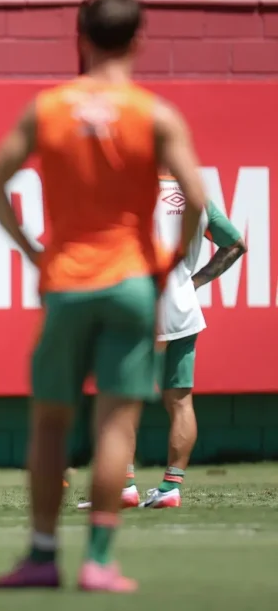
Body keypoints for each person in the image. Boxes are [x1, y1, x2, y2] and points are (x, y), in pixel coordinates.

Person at [0, 0, 208, 593]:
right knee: (115, 422)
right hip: (132, 283)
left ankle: (41, 554)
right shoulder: (154, 114)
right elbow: (196, 197)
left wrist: (32, 250)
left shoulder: (48, 108)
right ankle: (100, 560)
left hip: (67, 283)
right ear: (138, 41)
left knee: (51, 422)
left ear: (79, 37)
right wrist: (162, 265)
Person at [76, 186, 246, 511]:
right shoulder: (195, 196)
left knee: (121, 399)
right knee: (180, 402)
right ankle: (171, 487)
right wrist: (191, 284)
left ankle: (124, 487)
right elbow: (235, 244)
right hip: (182, 304)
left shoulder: (129, 189)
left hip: (141, 301)